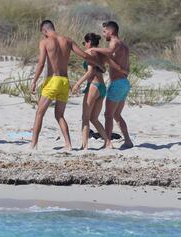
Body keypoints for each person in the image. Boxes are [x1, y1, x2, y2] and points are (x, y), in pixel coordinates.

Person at [30, 20, 105, 150]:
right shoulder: (68, 40)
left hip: (53, 81)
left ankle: (34, 144)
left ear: (44, 31)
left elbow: (41, 63)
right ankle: (68, 144)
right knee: (59, 115)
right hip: (65, 82)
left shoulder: (45, 42)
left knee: (39, 113)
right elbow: (84, 55)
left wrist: (34, 81)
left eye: (43, 33)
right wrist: (99, 64)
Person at [89, 21, 134, 149]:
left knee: (108, 115)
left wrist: (93, 48)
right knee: (116, 115)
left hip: (117, 83)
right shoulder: (124, 46)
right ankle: (128, 140)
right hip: (124, 82)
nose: (103, 35)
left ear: (111, 31)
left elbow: (109, 51)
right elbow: (127, 67)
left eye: (104, 32)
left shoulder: (114, 42)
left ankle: (107, 142)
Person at [72, 33, 111, 150]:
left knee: (85, 117)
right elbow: (107, 66)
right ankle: (108, 142)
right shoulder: (101, 53)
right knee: (94, 118)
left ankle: (84, 146)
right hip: (102, 87)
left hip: (93, 85)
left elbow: (90, 72)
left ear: (89, 42)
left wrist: (78, 84)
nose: (84, 46)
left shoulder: (89, 53)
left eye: (85, 43)